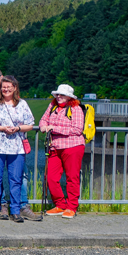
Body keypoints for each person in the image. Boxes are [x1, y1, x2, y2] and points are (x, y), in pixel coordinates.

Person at [0, 69, 39, 221]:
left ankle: (16, 211)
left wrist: (17, 128)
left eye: (8, 87)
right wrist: (1, 128)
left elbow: (30, 125)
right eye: (3, 87)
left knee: (15, 179)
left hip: (16, 146)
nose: (5, 89)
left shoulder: (22, 104)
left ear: (15, 88)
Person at [39, 84, 86, 219]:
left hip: (73, 147)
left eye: (62, 95)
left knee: (72, 177)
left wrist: (53, 128)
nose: (59, 97)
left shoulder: (75, 108)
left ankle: (72, 207)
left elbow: (77, 129)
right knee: (51, 177)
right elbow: (43, 120)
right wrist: (43, 126)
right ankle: (60, 204)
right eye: (58, 94)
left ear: (69, 97)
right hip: (54, 147)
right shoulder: (52, 106)